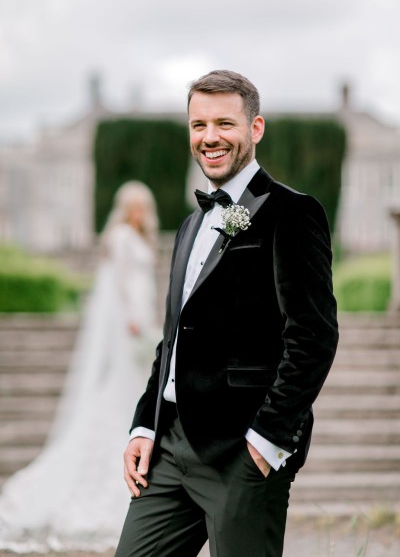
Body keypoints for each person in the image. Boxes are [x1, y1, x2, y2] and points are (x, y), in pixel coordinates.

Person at [115, 70, 339, 557]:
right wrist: (145, 424)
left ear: (255, 129)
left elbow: (314, 336)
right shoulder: (189, 225)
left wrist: (267, 441)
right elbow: (173, 337)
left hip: (243, 452)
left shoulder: (292, 214)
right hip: (169, 449)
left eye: (224, 123)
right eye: (198, 125)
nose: (210, 137)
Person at [0, 181, 159, 552]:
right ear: (125, 209)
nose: (139, 213)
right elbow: (117, 284)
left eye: (142, 206)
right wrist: (133, 320)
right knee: (119, 397)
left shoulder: (138, 238)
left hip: (141, 321)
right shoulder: (120, 237)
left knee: (134, 394)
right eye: (133, 206)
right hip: (128, 325)